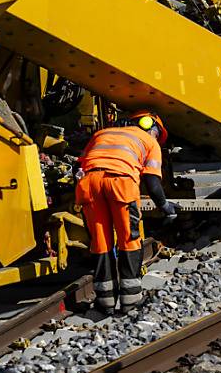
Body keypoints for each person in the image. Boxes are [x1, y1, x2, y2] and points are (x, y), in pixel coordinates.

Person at [76, 109, 179, 314]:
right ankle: (131, 300)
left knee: (100, 242)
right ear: (153, 129)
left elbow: (77, 166)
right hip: (120, 184)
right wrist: (165, 206)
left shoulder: (102, 133)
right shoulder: (150, 143)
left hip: (89, 184)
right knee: (128, 238)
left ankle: (104, 302)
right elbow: (151, 180)